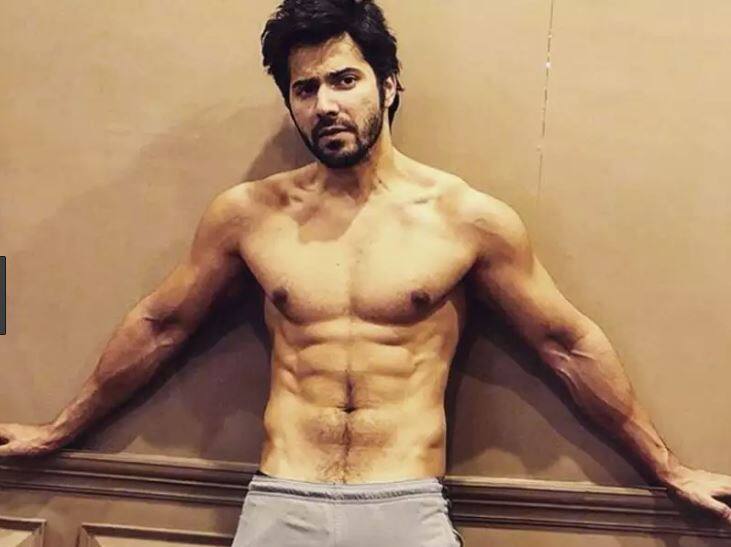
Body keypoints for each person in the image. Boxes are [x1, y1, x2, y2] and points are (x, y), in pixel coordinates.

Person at [1, 0, 730, 545]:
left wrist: (667, 470)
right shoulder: (248, 215)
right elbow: (160, 325)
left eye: (344, 80)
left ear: (388, 85)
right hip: (281, 501)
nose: (324, 105)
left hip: (404, 506)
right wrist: (54, 433)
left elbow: (566, 345)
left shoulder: (465, 219)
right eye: (304, 88)